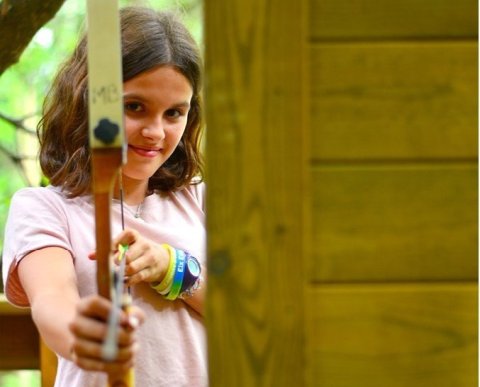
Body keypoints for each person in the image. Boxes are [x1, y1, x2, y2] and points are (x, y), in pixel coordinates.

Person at [2, 6, 207, 387]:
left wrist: (171, 268)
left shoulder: (202, 201)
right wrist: (84, 335)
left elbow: (252, 314)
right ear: (87, 99)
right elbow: (52, 300)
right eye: (134, 106)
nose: (155, 132)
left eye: (174, 113)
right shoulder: (43, 208)